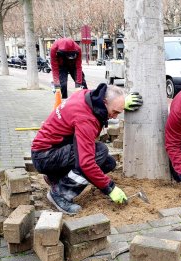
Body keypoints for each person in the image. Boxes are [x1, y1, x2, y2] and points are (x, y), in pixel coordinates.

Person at [31, 84, 143, 214]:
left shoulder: (88, 96)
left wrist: (121, 103)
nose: (115, 117)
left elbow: (109, 100)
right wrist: (110, 188)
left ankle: (56, 178)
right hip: (45, 155)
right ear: (105, 102)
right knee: (99, 153)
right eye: (115, 112)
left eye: (119, 112)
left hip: (55, 149)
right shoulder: (86, 118)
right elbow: (86, 163)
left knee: (108, 163)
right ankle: (60, 194)